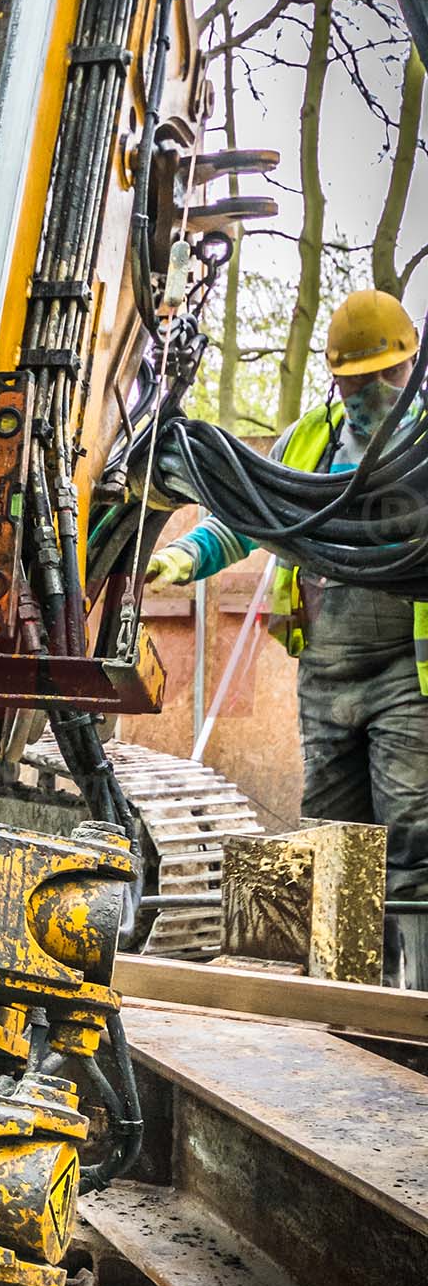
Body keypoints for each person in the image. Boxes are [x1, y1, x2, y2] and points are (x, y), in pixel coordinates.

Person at [146, 287, 428, 979]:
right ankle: (338, 992)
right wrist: (191, 552)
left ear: (412, 368)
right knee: (329, 839)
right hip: (328, 673)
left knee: (411, 839)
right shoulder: (311, 440)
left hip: (407, 675)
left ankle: (414, 990)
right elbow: (258, 512)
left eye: (384, 378)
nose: (369, 394)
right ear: (336, 380)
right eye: (355, 382)